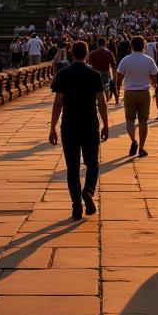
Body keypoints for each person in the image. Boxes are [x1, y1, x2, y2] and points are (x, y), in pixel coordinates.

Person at [48, 41, 110, 220]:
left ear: (71, 54)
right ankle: (88, 191)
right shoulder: (94, 75)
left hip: (69, 126)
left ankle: (76, 205)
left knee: (72, 168)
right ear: (87, 54)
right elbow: (101, 102)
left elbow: (58, 103)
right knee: (92, 163)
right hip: (90, 125)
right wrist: (106, 124)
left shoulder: (63, 74)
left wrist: (52, 128)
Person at [116, 35, 157, 158]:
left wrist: (118, 87)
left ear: (131, 46)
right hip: (144, 92)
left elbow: (119, 76)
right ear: (143, 46)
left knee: (130, 120)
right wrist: (152, 83)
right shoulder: (149, 60)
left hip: (130, 92)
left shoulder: (126, 60)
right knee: (143, 121)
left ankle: (133, 140)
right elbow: (154, 76)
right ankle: (142, 148)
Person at [88, 37, 118, 107]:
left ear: (97, 44)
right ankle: (116, 99)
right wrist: (115, 78)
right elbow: (113, 67)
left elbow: (89, 66)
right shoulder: (109, 53)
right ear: (106, 43)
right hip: (106, 72)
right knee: (111, 85)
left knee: (95, 90)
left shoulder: (92, 53)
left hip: (96, 73)